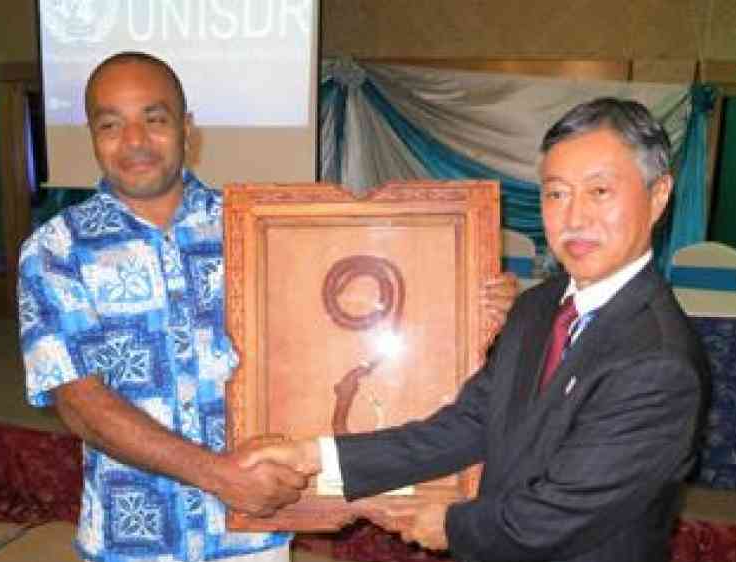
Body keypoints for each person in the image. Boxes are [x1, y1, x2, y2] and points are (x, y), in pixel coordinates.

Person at [18, 51, 518, 562]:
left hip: (252, 534)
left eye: (154, 119)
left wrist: (467, 304)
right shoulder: (56, 251)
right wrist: (219, 476)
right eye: (111, 124)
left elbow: (355, 330)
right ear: (92, 135)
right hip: (134, 537)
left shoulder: (260, 230)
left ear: (187, 129)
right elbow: (82, 404)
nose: (135, 141)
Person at [246, 97, 710, 562]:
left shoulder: (657, 361)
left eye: (600, 192)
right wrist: (316, 456)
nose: (574, 218)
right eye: (556, 193)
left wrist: (450, 526)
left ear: (658, 196)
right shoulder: (539, 306)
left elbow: (561, 513)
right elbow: (468, 423)